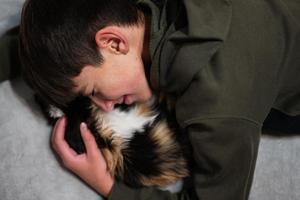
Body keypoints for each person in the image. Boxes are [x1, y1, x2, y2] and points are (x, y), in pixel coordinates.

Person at [19, 0, 300, 199]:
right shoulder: (132, 15)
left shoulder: (216, 112)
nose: (104, 105)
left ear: (115, 43)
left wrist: (107, 185)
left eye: (93, 90)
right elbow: (66, 29)